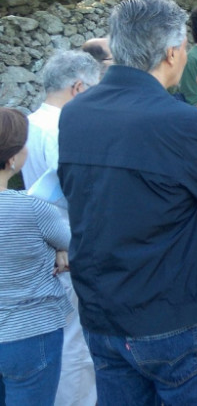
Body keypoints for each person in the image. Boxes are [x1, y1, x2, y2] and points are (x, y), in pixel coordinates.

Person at [58, 0, 197, 405]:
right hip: (177, 314)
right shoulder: (181, 121)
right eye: (183, 47)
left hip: (102, 313)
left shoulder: (75, 113)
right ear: (171, 53)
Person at [21, 50, 100, 406]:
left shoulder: (30, 123)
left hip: (42, 241)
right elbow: (75, 191)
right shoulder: (62, 129)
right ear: (78, 87)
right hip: (68, 242)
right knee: (76, 340)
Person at [0, 107, 72, 406]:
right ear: (12, 158)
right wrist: (61, 249)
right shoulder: (32, 209)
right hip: (29, 334)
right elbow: (73, 243)